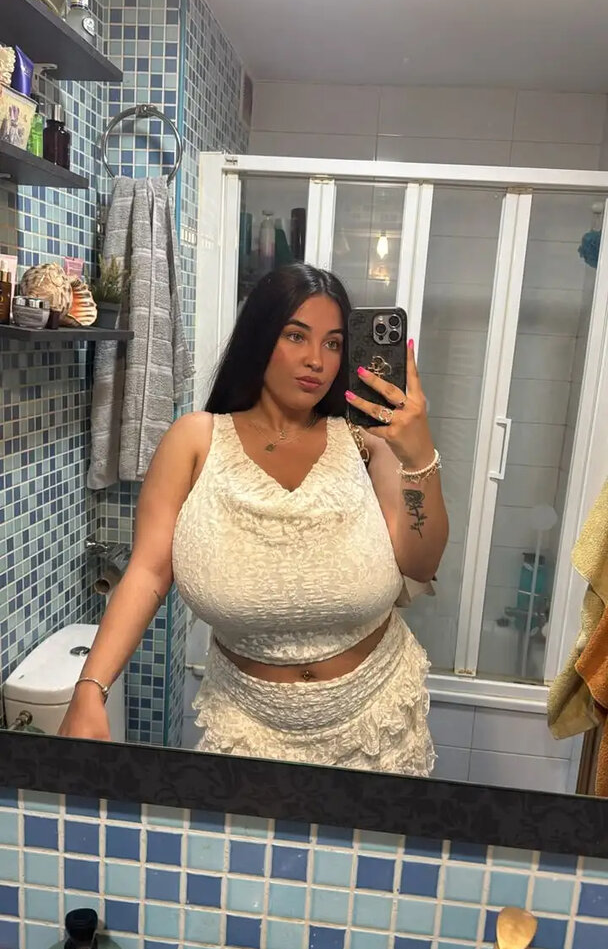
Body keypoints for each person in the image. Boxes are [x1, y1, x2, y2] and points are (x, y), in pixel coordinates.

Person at [60, 264, 448, 776]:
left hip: (379, 725)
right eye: (296, 336)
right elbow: (149, 571)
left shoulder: (366, 443)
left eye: (333, 343)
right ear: (259, 337)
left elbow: (420, 564)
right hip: (247, 727)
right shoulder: (195, 441)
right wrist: (91, 688)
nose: (316, 360)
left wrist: (419, 458)